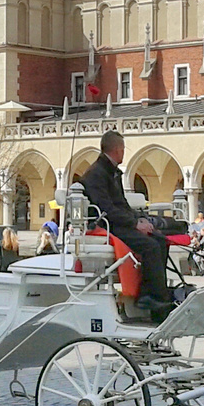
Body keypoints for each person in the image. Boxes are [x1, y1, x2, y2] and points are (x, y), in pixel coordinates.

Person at [80, 130, 172, 313]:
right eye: (123, 149)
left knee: (160, 239)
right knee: (150, 246)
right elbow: (106, 209)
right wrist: (135, 224)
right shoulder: (96, 174)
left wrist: (140, 220)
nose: (124, 152)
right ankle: (149, 297)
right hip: (107, 225)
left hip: (118, 221)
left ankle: (156, 292)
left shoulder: (110, 172)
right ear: (117, 149)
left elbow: (121, 204)